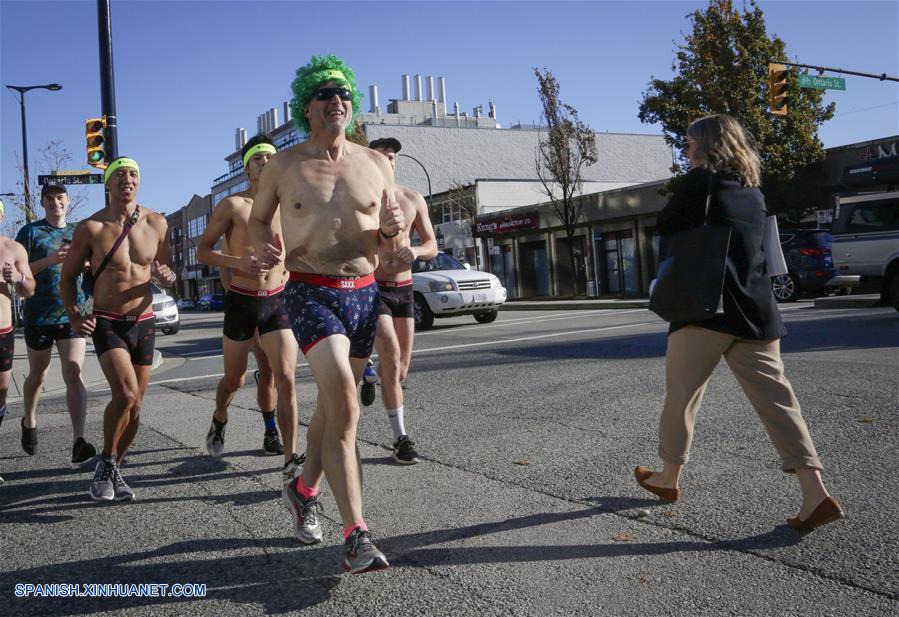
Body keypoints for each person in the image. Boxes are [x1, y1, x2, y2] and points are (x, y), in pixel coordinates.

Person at [634, 114, 842, 531]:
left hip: (704, 311)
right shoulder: (753, 192)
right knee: (780, 404)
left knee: (682, 398)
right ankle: (815, 492)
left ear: (707, 145)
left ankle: (669, 477)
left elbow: (667, 224)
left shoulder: (699, 182)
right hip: (756, 313)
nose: (686, 150)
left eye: (690, 143)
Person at [250, 54, 404, 573]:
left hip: (363, 292)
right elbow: (256, 220)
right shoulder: (285, 164)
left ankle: (303, 486)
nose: (336, 99)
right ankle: (356, 533)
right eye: (324, 93)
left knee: (336, 412)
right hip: (310, 290)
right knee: (342, 396)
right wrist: (265, 248)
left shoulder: (375, 163)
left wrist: (392, 236)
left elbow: (391, 239)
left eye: (344, 92)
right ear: (307, 107)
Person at [60, 157, 176, 503]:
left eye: (133, 174)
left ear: (138, 183)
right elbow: (67, 278)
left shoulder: (157, 223)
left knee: (136, 405)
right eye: (120, 174)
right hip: (107, 320)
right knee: (125, 395)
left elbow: (167, 269)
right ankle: (107, 463)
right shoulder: (90, 228)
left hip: (143, 320)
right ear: (108, 184)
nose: (127, 179)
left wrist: (167, 276)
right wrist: (74, 315)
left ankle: (112, 467)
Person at [197, 133, 303, 485]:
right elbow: (204, 252)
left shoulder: (288, 205)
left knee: (285, 377)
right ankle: (220, 416)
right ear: (247, 168)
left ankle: (290, 461)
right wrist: (237, 261)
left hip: (277, 299)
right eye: (258, 158)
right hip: (241, 301)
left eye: (271, 156)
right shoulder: (233, 205)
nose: (265, 162)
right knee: (234, 378)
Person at [360, 137, 437, 464]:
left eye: (390, 157)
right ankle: (400, 439)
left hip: (404, 288)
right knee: (389, 350)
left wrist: (417, 251)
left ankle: (370, 372)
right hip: (374, 287)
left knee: (400, 370)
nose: (387, 161)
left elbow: (432, 243)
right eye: (380, 157)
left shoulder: (413, 198)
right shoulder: (362, 201)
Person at [16, 184, 95, 465]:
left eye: (60, 198)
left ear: (68, 201)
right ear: (42, 203)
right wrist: (51, 259)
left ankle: (78, 441)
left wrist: (87, 266)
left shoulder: (81, 231)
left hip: (72, 312)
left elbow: (96, 267)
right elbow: (19, 272)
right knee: (38, 376)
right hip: (38, 315)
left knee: (73, 373)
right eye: (49, 199)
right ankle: (29, 420)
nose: (55, 203)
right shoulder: (30, 232)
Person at [0, 197, 37, 482]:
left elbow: (30, 289)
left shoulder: (13, 248)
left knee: (1, 390)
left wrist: (19, 278)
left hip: (3, 331)